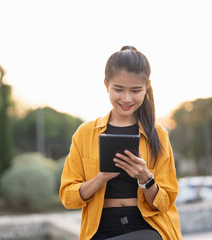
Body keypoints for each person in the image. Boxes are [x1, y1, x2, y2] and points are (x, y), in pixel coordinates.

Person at [59, 46, 182, 240]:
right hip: (100, 228)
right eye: (118, 89)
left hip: (147, 227)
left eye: (135, 90)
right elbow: (68, 197)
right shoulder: (85, 133)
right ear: (106, 84)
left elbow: (164, 203)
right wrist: (101, 178)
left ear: (147, 87)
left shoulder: (158, 135)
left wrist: (145, 178)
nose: (126, 98)